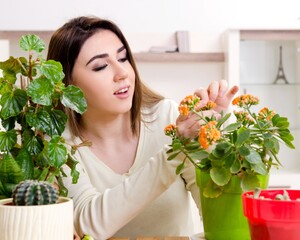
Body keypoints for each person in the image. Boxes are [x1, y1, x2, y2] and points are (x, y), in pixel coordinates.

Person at [47, 16, 239, 239]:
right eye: (100, 66)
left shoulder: (166, 117)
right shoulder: (61, 145)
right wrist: (175, 151)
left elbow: (220, 216)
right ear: (67, 85)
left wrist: (217, 137)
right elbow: (87, 225)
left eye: (123, 58)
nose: (123, 74)